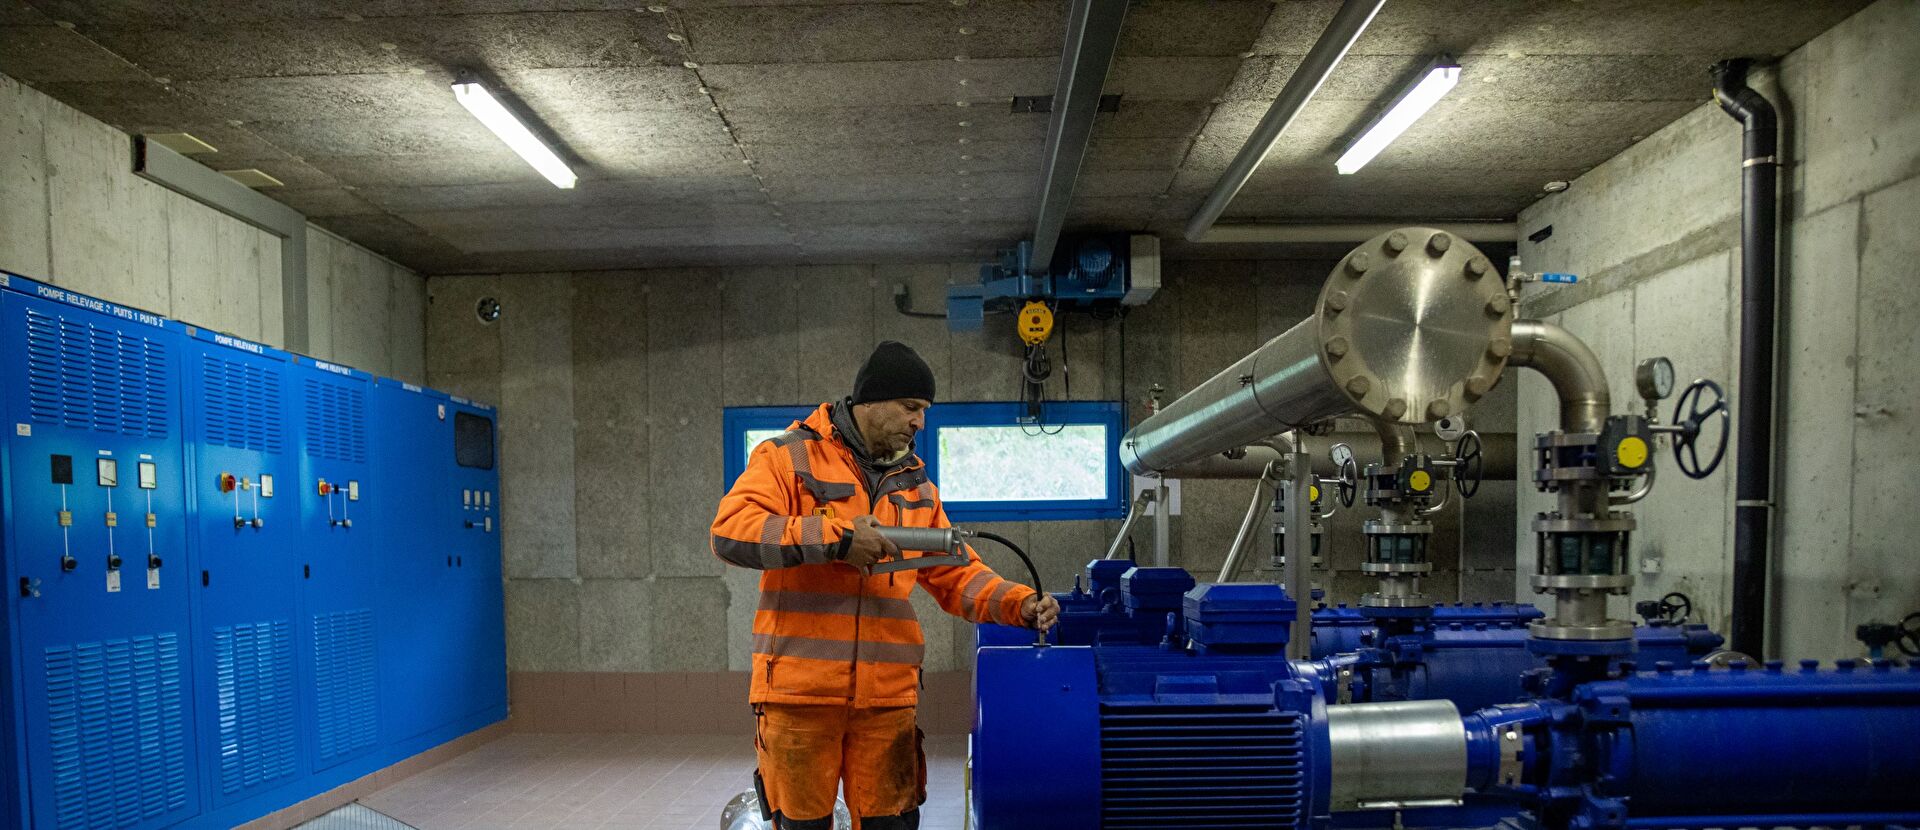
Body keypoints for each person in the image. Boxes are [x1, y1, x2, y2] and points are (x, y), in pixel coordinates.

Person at [711, 340, 1062, 830]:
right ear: (871, 402)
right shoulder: (789, 458)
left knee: (891, 825)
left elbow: (955, 572)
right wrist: (835, 540)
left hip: (886, 701)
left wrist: (1019, 605)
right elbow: (731, 531)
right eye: (911, 407)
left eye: (924, 411)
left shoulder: (915, 485)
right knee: (802, 825)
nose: (920, 422)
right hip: (800, 696)